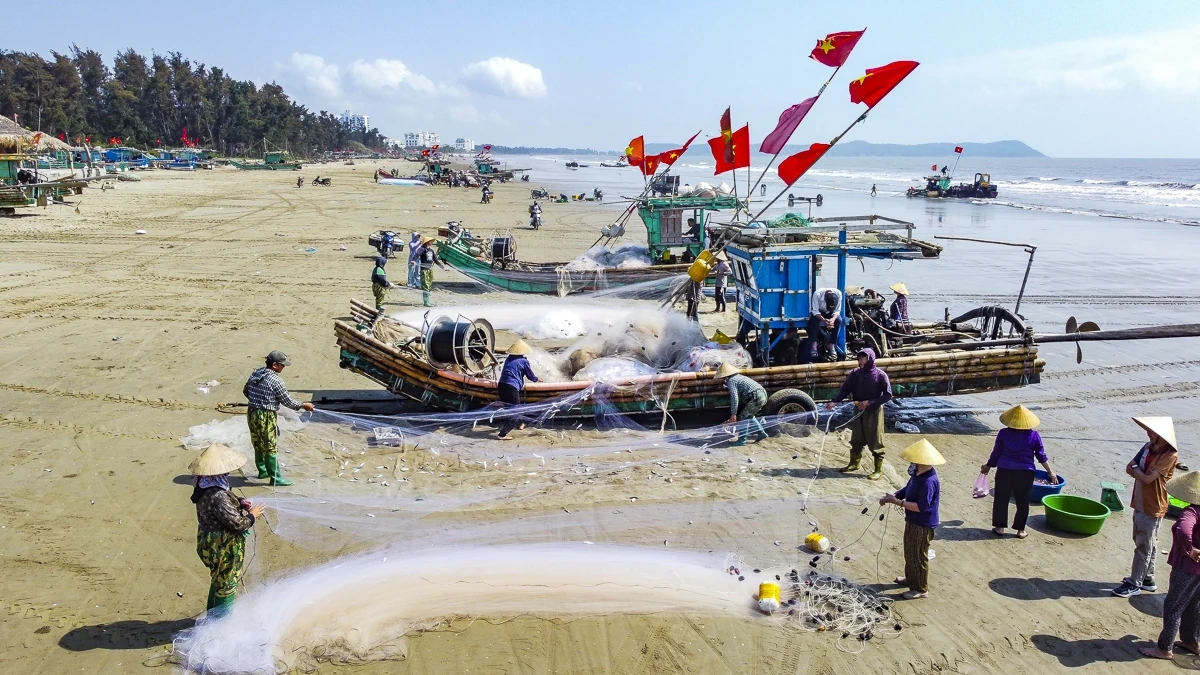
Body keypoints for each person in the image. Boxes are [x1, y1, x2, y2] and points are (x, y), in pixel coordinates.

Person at [190, 443, 264, 615]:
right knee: (227, 584)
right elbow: (238, 524)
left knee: (218, 580)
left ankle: (212, 616)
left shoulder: (203, 487)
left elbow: (223, 504)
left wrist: (239, 502)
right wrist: (252, 515)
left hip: (208, 541)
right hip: (222, 547)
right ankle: (221, 624)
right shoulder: (219, 496)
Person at [1114, 416, 1180, 598]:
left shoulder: (1170, 455)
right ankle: (1148, 578)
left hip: (1153, 505)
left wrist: (1137, 470)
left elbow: (1148, 478)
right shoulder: (1147, 447)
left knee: (1144, 544)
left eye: (1152, 432)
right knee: (1143, 540)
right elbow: (1129, 467)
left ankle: (1134, 583)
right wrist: (1139, 471)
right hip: (1140, 501)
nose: (1148, 434)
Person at [1140, 471, 1200, 660]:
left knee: (1174, 606)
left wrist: (1190, 548)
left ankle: (1164, 648)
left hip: (1186, 568)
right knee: (1194, 605)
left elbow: (1183, 529)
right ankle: (1192, 641)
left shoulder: (1191, 512)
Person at [980, 405, 1057, 538]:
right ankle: (1020, 530)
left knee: (1001, 498)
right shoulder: (1034, 435)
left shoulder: (1003, 433)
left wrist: (988, 466)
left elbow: (996, 452)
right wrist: (1050, 472)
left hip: (1005, 470)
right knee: (1023, 500)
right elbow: (1041, 455)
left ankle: (999, 527)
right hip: (1025, 472)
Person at [880, 439, 943, 600]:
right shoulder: (917, 474)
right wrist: (894, 496)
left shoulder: (929, 481)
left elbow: (921, 507)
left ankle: (920, 589)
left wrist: (898, 502)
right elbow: (907, 488)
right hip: (912, 520)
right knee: (909, 551)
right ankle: (911, 578)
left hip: (923, 524)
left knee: (918, 556)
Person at [243, 351, 314, 486]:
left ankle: (262, 471)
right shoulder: (276, 380)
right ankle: (275, 478)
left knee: (257, 442)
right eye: (282, 365)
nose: (284, 367)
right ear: (275, 365)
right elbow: (287, 401)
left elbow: (246, 391)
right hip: (266, 416)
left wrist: (257, 400)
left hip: (252, 412)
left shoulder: (256, 373)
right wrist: (303, 405)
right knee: (270, 446)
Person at [825, 347, 892, 480]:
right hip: (858, 410)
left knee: (875, 440)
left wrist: (870, 402)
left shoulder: (880, 375)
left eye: (864, 358)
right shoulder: (855, 373)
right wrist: (835, 401)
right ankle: (854, 463)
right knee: (857, 438)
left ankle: (878, 470)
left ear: (870, 359)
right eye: (860, 358)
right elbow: (845, 389)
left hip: (873, 412)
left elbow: (887, 395)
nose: (861, 360)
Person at [716, 364, 768, 446]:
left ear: (725, 376)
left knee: (743, 417)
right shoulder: (739, 377)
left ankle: (741, 441)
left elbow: (734, 398)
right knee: (749, 416)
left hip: (756, 397)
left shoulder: (731, 381)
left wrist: (733, 414)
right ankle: (761, 433)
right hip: (762, 395)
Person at [497, 340, 538, 439]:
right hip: (511, 387)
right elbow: (530, 376)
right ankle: (502, 435)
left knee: (510, 409)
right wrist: (537, 379)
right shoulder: (523, 361)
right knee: (516, 412)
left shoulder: (508, 359)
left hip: (501, 385)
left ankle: (520, 424)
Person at [806, 290, 843, 362]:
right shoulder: (817, 294)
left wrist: (832, 320)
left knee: (839, 320)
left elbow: (837, 311)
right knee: (813, 320)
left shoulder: (839, 294)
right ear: (825, 300)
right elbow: (815, 311)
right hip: (820, 312)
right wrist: (824, 320)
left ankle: (831, 344)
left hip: (831, 313)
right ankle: (814, 344)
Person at [418, 236, 446, 307]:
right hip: (424, 270)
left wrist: (443, 267)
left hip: (429, 270)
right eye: (430, 241)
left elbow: (435, 260)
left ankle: (428, 301)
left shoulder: (431, 251)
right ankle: (426, 302)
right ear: (427, 242)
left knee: (429, 285)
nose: (431, 242)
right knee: (425, 285)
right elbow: (416, 254)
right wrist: (413, 260)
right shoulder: (422, 249)